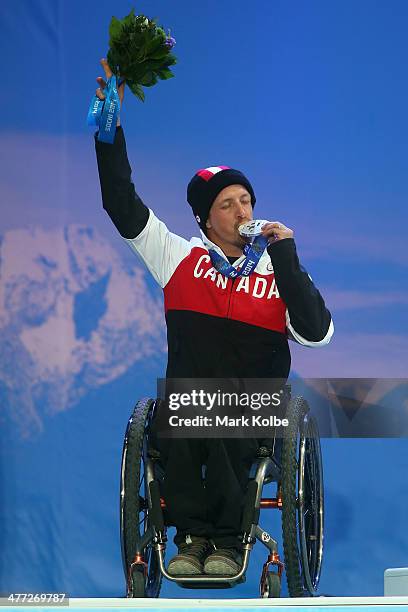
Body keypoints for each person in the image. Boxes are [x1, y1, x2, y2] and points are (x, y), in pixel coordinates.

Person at [93, 59, 334, 577]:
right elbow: (122, 205)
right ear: (205, 218)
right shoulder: (179, 258)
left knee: (223, 413)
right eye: (228, 204)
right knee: (181, 409)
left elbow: (316, 332)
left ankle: (226, 540)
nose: (243, 212)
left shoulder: (275, 269)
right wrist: (109, 139)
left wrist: (286, 253)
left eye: (247, 200)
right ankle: (193, 537)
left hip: (255, 404)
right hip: (191, 399)